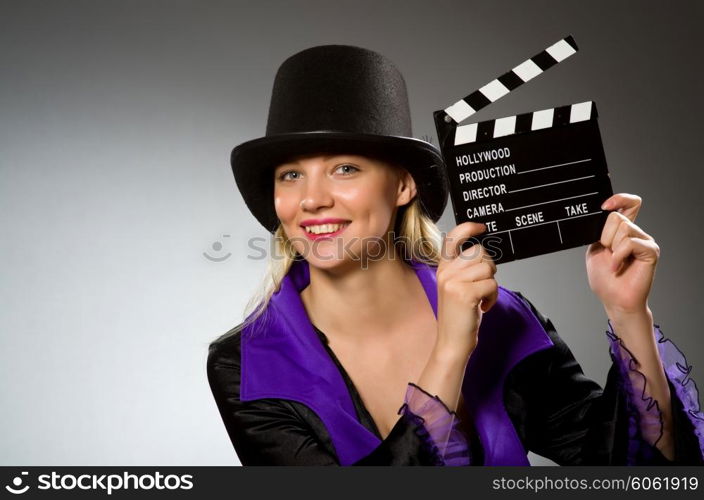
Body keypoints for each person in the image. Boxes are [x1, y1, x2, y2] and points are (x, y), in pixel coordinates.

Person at [206, 44, 704, 465]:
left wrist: (627, 311)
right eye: (290, 175)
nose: (311, 199)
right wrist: (449, 351)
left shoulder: (503, 316)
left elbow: (637, 467)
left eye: (345, 169)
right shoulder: (246, 364)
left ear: (403, 185)